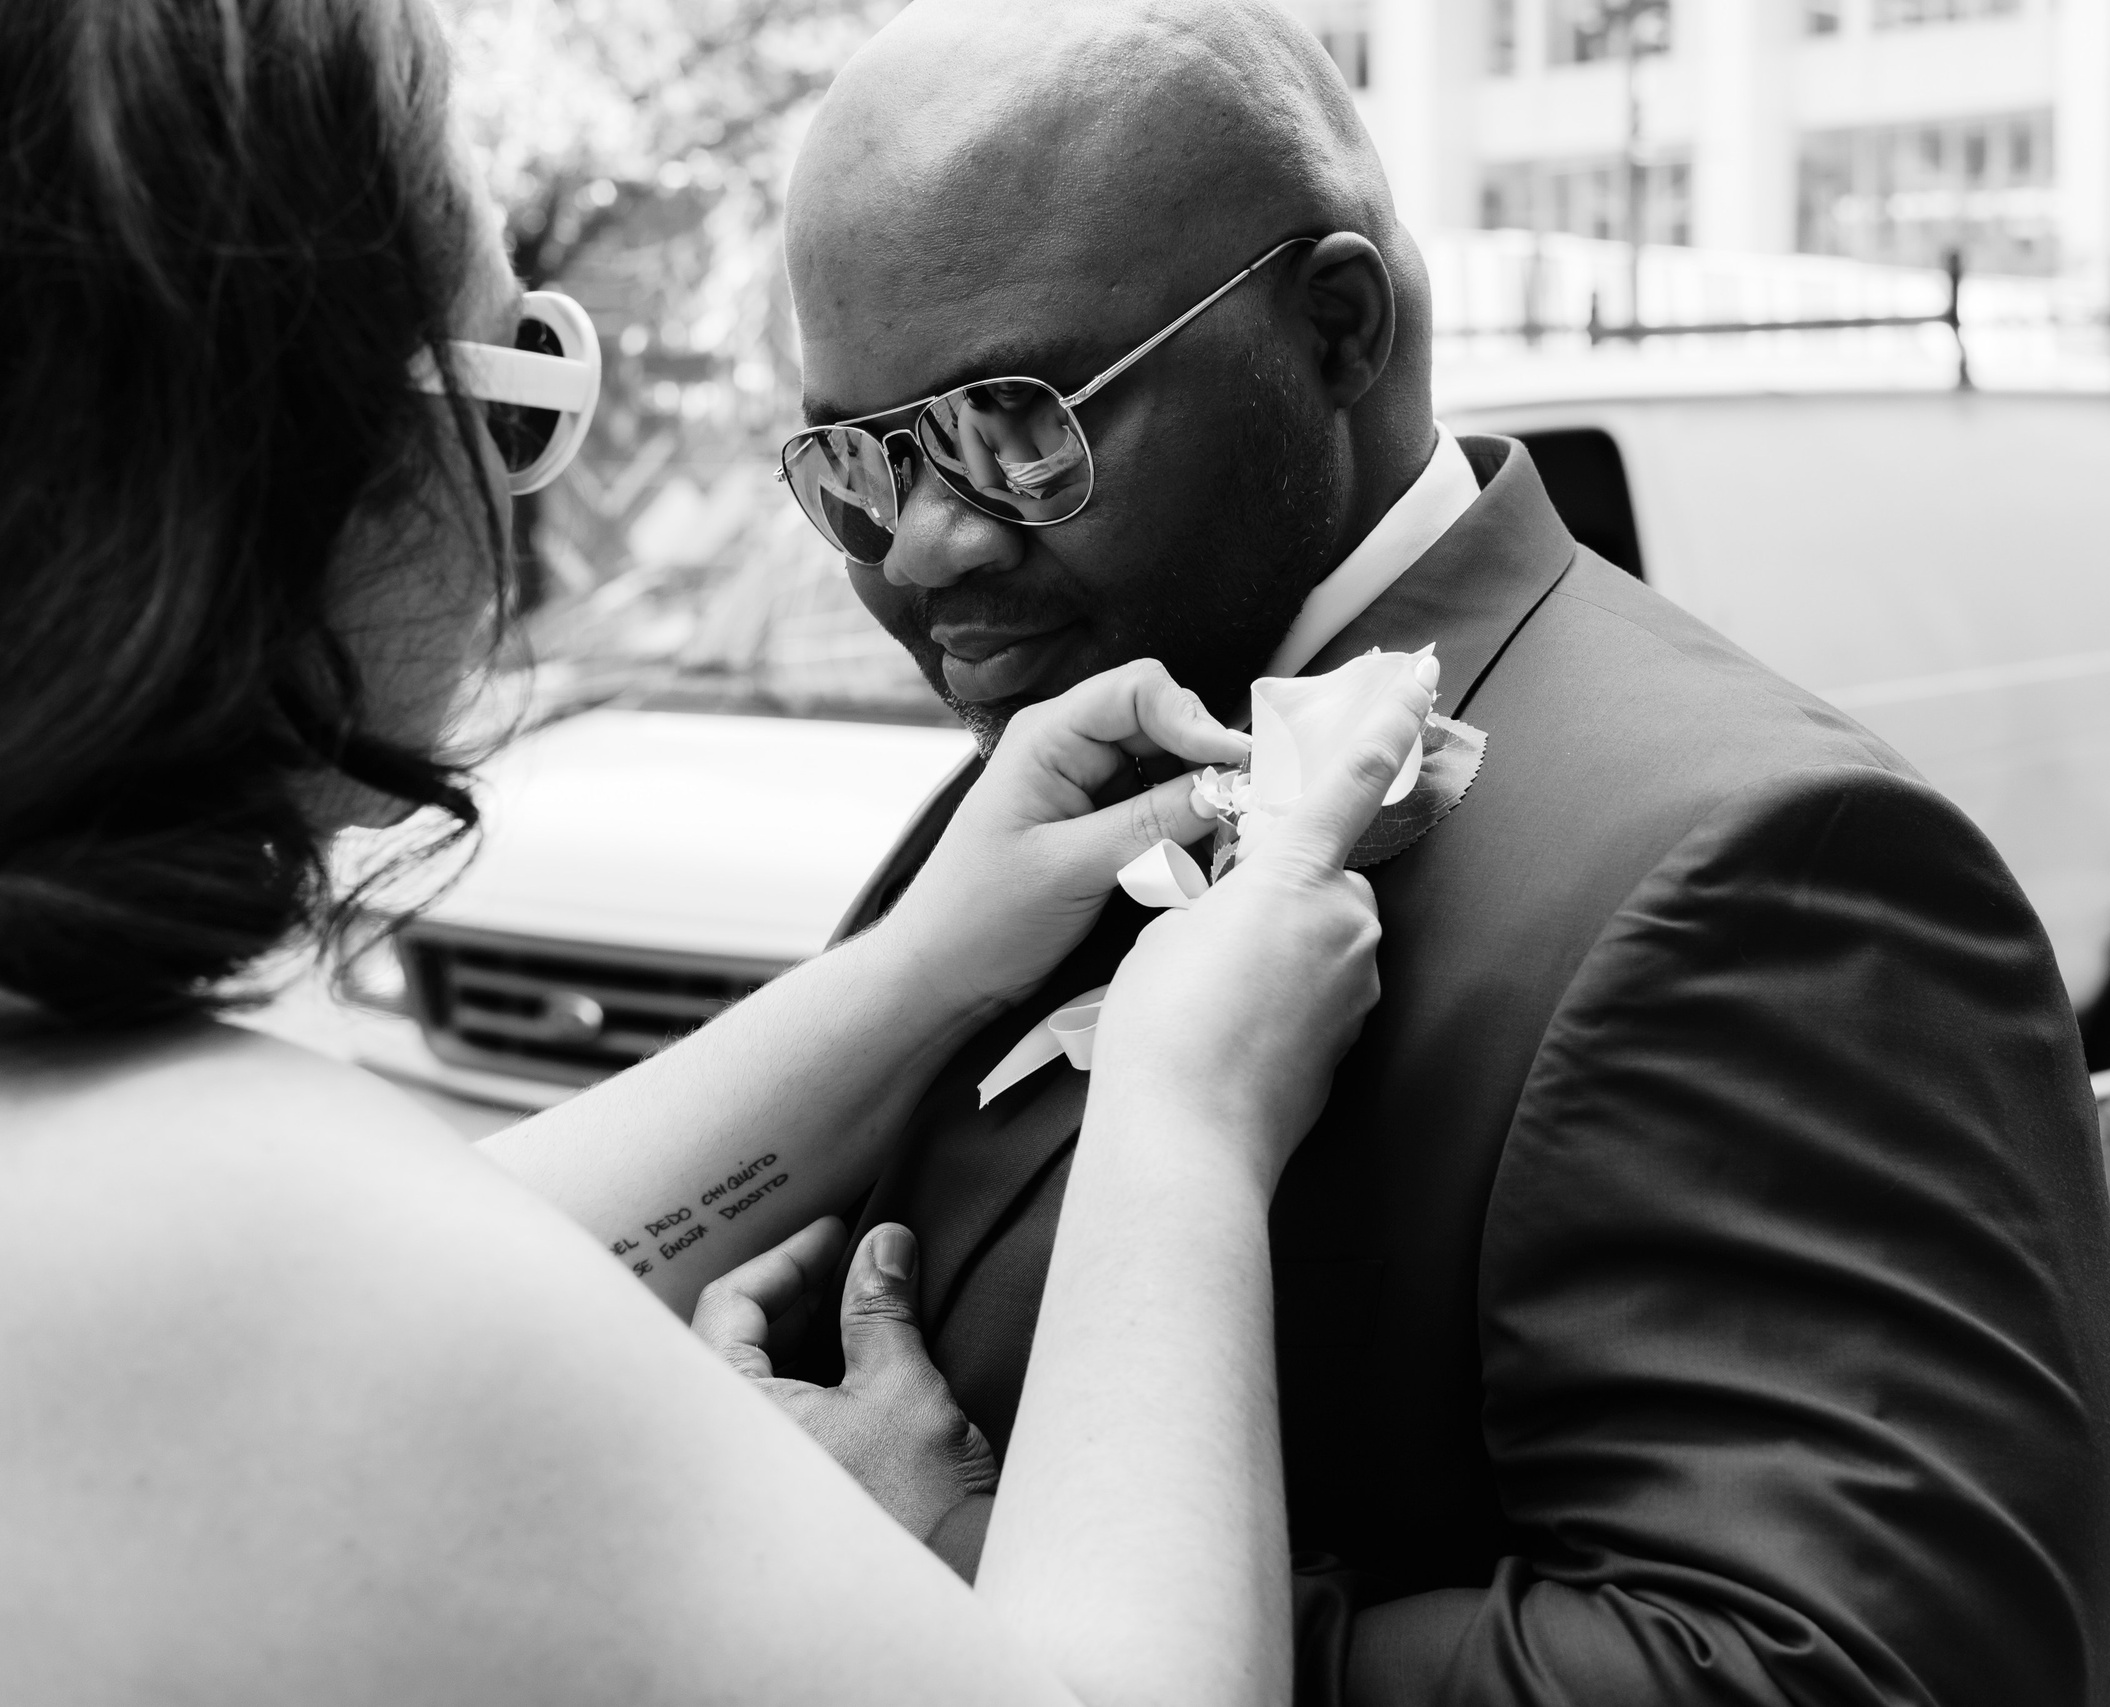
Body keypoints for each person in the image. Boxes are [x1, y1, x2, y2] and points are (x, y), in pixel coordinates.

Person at [0, 0, 1435, 1701]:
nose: (925, 548)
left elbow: (489, 1231)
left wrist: (929, 962)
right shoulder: (253, 1249)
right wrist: (1182, 1119)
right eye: (521, 393)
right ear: (282, 463)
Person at [769, 2, 2110, 1704]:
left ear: (1336, 329)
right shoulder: (1047, 761)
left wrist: (956, 1577)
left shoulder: (1762, 868)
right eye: (860, 462)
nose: (924, 548)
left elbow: (1859, 1672)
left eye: (1015, 428)